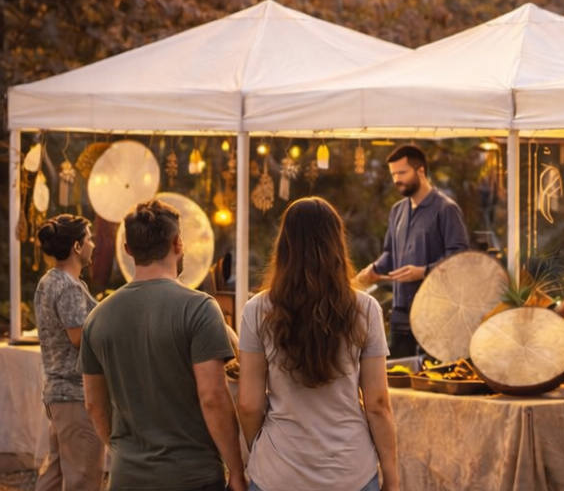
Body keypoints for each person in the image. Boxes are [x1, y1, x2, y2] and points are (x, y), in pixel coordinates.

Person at [80, 200, 246, 491]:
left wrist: (123, 453)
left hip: (127, 476)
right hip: (192, 476)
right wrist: (236, 469)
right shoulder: (199, 309)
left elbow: (93, 404)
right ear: (178, 243)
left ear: (128, 250)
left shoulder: (97, 318)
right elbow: (213, 397)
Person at [238, 197, 399, 491]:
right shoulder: (366, 309)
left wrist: (260, 451)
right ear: (337, 244)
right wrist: (392, 475)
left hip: (277, 473)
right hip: (351, 473)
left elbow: (249, 404)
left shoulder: (257, 309)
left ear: (284, 245)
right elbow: (377, 404)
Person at [354, 144, 470, 357]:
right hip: (400, 315)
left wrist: (423, 271)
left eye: (402, 172)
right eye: (393, 174)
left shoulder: (446, 209)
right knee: (399, 375)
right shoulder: (397, 211)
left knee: (429, 379)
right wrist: (373, 269)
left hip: (436, 315)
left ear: (421, 171)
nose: (396, 179)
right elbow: (390, 253)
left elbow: (460, 259)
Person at [32, 214, 104, 491]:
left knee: (55, 473)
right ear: (77, 246)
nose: (94, 245)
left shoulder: (49, 281)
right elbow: (79, 338)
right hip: (76, 395)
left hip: (57, 393)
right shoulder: (69, 287)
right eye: (90, 239)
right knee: (84, 478)